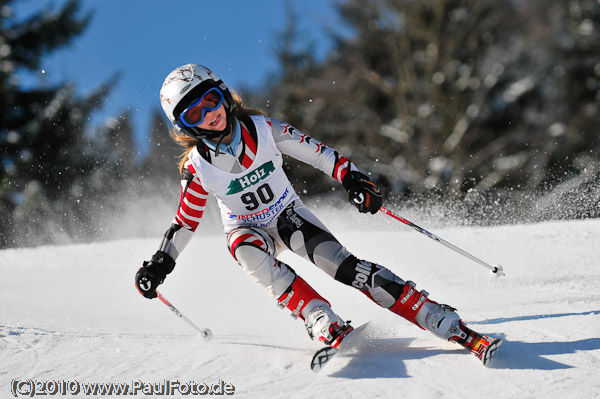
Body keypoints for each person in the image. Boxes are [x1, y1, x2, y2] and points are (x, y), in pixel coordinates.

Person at [135, 64, 497, 361]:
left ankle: (430, 313)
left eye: (210, 101)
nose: (209, 115)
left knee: (343, 267)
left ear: (224, 95)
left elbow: (320, 153)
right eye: (194, 113)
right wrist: (161, 263)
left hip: (286, 214)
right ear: (185, 127)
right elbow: (186, 220)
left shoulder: (263, 129)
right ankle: (319, 317)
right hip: (246, 228)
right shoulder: (198, 167)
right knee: (245, 251)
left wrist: (352, 179)